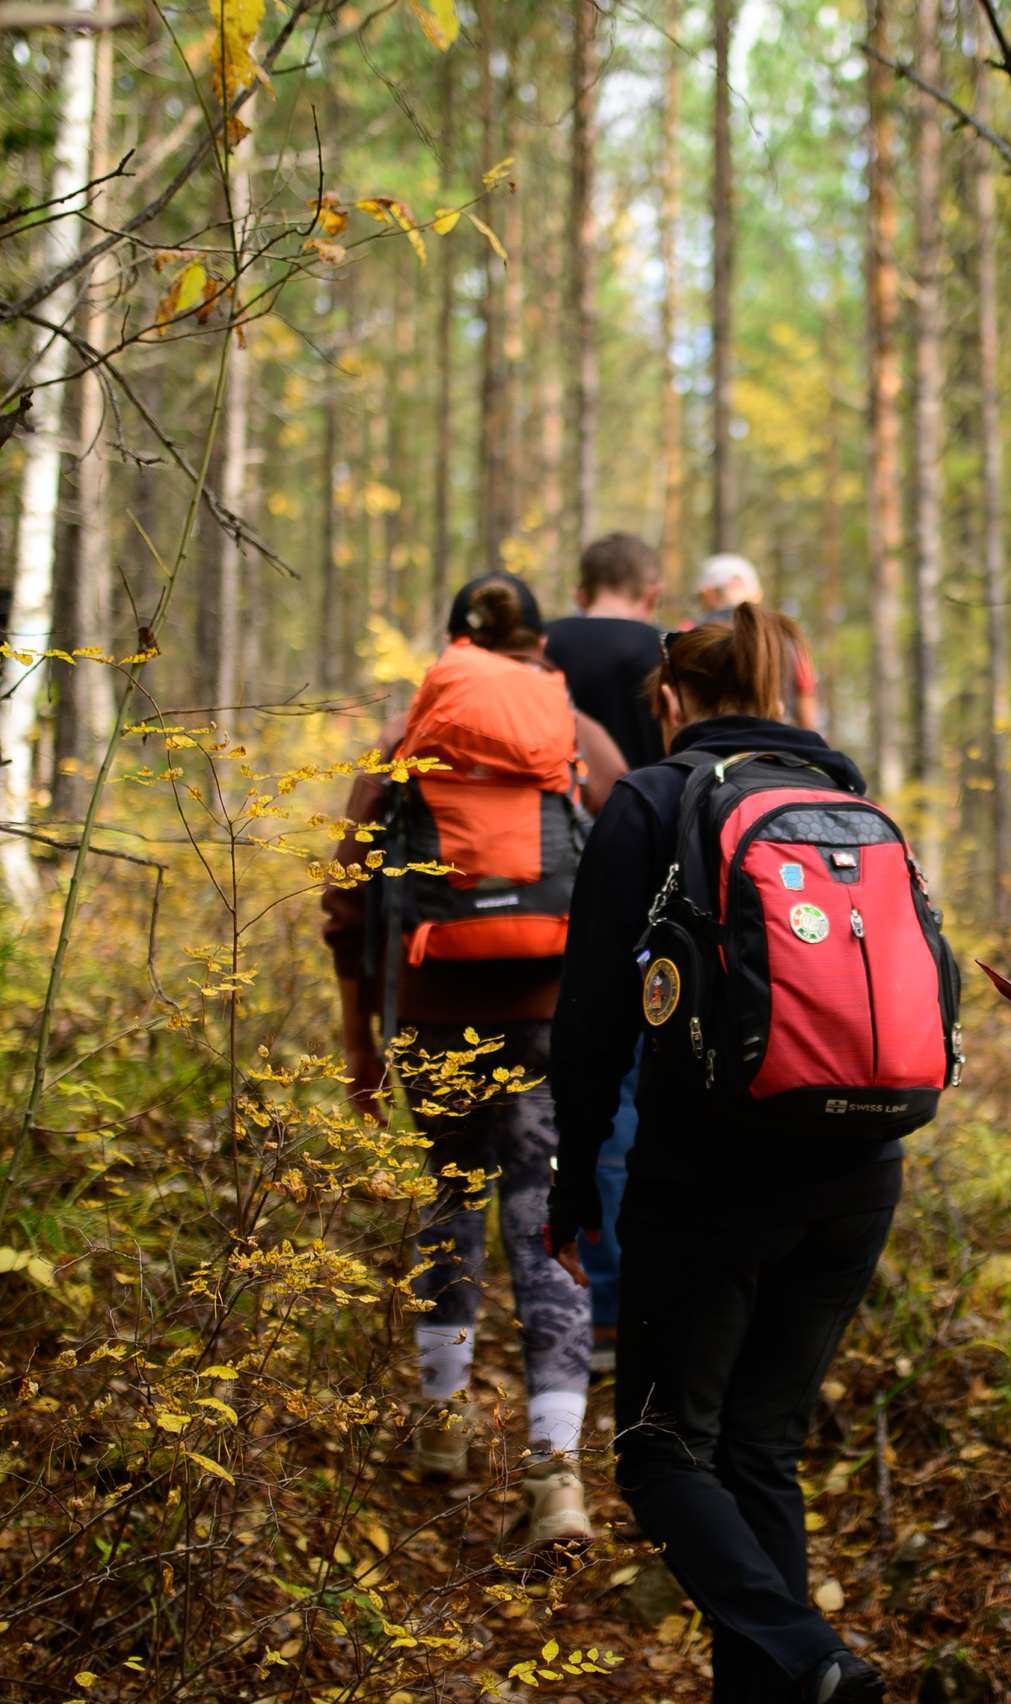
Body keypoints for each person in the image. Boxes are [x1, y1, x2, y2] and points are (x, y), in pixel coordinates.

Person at [545, 605, 889, 1704]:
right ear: (780, 693)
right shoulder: (849, 803)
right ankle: (789, 1689)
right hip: (859, 1175)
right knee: (757, 1449)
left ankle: (807, 1660)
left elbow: (593, 1020)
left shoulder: (650, 799)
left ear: (666, 701)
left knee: (656, 1448)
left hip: (709, 1179)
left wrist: (570, 1186)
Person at [321, 572, 627, 1554]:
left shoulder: (410, 738)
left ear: (454, 642)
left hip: (432, 1011)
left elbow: (346, 909)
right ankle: (556, 1471)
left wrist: (362, 1042)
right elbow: (628, 868)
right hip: (547, 1017)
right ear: (539, 647)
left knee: (450, 1196)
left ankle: (442, 1426)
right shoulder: (574, 739)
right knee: (545, 1221)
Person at [542, 534, 667, 1368]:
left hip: (542, 897)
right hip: (657, 898)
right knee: (633, 1096)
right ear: (650, 589)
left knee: (572, 1090)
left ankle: (567, 1284)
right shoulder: (666, 654)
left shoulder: (543, 649)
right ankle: (620, 1307)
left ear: (582, 585)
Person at [547, 532, 669, 770]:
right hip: (648, 803)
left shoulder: (540, 643)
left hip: (551, 802)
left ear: (580, 596)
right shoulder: (666, 648)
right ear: (653, 594)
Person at [694, 553, 821, 730]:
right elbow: (806, 705)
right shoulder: (789, 638)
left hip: (709, 747)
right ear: (756, 594)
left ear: (707, 593)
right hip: (779, 745)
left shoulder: (687, 634)